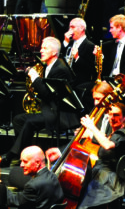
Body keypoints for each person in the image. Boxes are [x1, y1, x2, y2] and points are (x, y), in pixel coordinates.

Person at [6, 37, 77, 165]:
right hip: (47, 109)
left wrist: (35, 78)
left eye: (45, 48)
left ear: (54, 52)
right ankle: (24, 153)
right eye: (41, 48)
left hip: (59, 113)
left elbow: (48, 95)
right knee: (18, 119)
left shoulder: (60, 69)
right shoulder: (49, 66)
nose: (41, 51)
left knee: (29, 122)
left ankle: (13, 155)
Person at [62, 17, 98, 106]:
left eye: (72, 27)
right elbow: (61, 57)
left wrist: (77, 57)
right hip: (66, 80)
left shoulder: (90, 45)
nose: (70, 30)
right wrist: (65, 42)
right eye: (69, 27)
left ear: (82, 28)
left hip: (79, 83)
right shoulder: (70, 43)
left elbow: (90, 69)